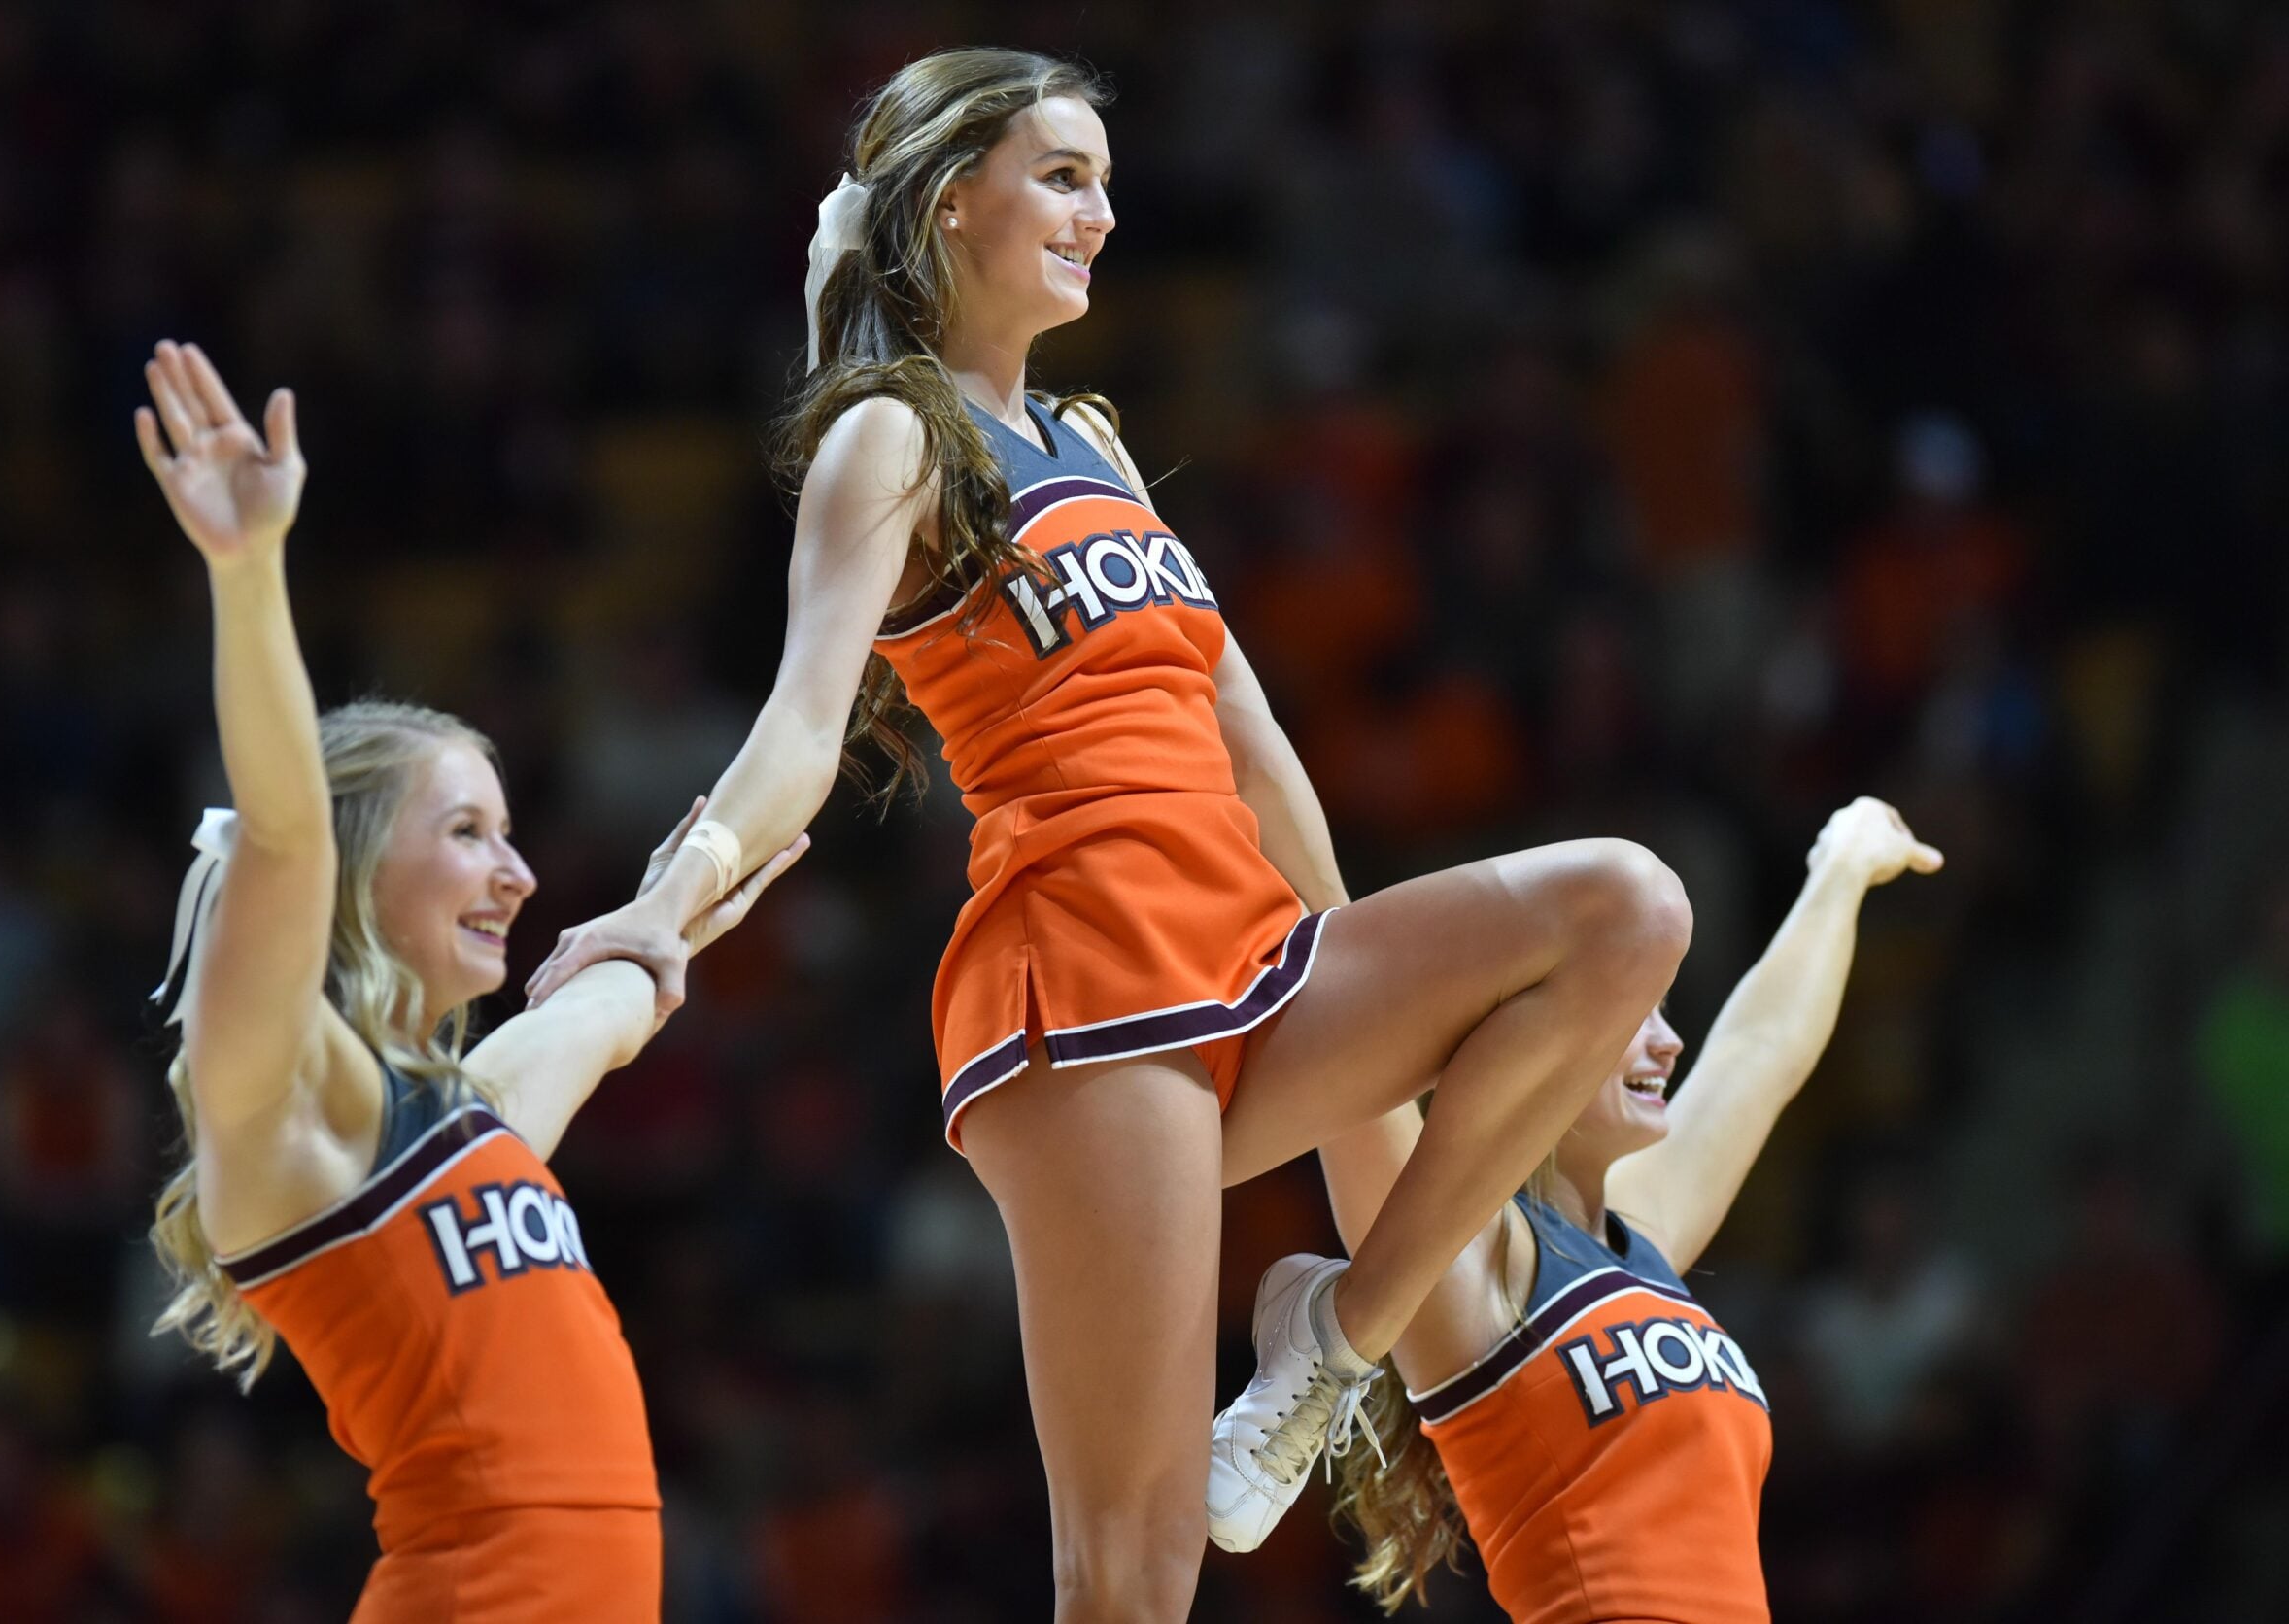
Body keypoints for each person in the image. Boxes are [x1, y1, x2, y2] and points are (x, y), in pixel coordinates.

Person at [525, 51, 1691, 1620]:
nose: (1103, 211)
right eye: (1063, 176)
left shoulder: (1095, 437)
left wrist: (1388, 1005)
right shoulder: (892, 437)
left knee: (1628, 905)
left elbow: (1256, 742)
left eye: (1105, 181)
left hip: (1256, 950)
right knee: (1131, 1577)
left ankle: (1331, 1348)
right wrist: (669, 904)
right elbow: (803, 724)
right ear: (956, 203)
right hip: (1089, 980)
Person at [134, 340, 802, 1622]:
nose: (518, 872)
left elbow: (615, 1001)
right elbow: (282, 833)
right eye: (468, 833)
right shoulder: (284, 1100)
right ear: (355, 863)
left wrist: (685, 892)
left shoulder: (476, 1111)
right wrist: (247, 567)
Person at [1324, 797, 1942, 1621]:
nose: (1669, 1041)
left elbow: (1763, 1049)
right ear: (1529, 1041)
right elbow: (1334, 1000)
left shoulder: (1637, 1242)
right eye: (1634, 1012)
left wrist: (1842, 867)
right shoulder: (1463, 1267)